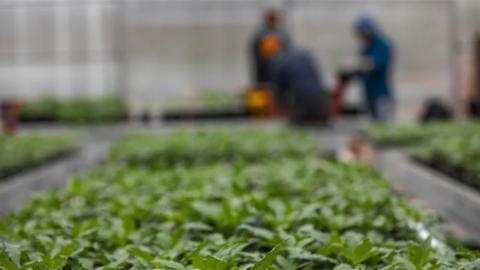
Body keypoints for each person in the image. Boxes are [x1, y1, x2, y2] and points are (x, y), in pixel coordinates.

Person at [261, 34, 329, 125]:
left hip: (303, 102)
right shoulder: (303, 54)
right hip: (322, 99)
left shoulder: (278, 65)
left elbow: (280, 92)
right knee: (321, 130)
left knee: (298, 131)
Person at [339, 15, 395, 123]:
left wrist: (356, 64)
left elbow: (374, 65)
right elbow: (360, 69)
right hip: (368, 95)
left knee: (383, 124)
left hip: (381, 95)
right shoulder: (365, 48)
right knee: (373, 124)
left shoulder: (383, 45)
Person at [249, 10, 291, 87]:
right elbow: (254, 50)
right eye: (271, 20)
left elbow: (288, 49)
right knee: (263, 85)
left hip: (278, 66)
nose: (273, 23)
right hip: (263, 67)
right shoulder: (260, 33)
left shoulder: (282, 33)